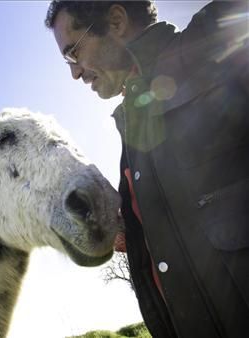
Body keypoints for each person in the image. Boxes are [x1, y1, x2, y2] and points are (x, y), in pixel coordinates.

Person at [45, 1, 249, 337]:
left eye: (73, 53)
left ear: (116, 19)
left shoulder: (215, 43)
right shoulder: (133, 127)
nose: (75, 72)